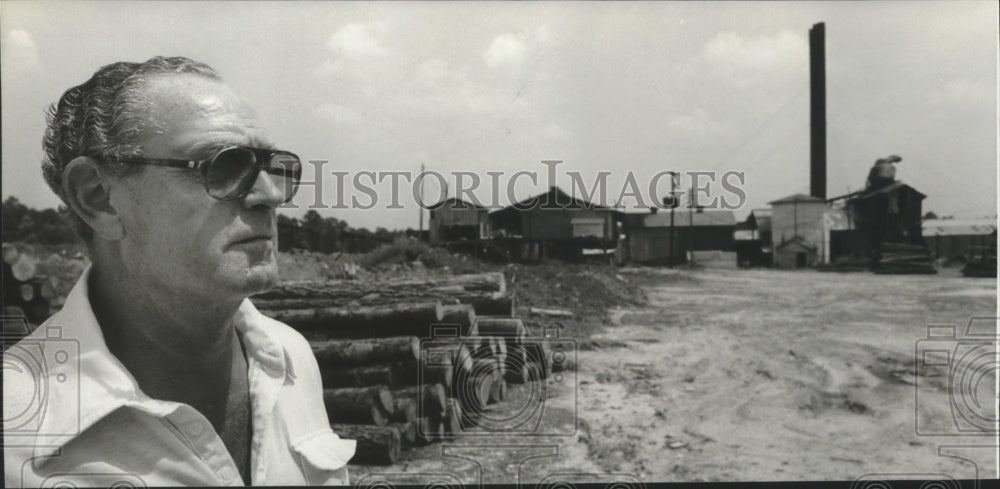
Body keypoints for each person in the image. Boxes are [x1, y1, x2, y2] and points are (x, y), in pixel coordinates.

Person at [2, 57, 355, 487]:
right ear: (99, 198)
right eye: (223, 165)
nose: (269, 194)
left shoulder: (289, 357)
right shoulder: (16, 431)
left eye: (273, 166)